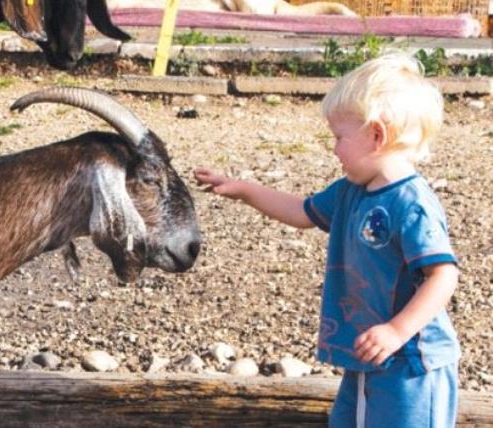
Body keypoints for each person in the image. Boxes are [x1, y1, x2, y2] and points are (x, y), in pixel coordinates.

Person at [195, 53, 460, 427]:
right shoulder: (352, 191)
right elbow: (302, 212)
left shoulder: (410, 203)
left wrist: (397, 330)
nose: (333, 149)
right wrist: (243, 189)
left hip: (412, 363)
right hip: (367, 355)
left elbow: (442, 276)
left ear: (376, 135)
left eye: (339, 137)